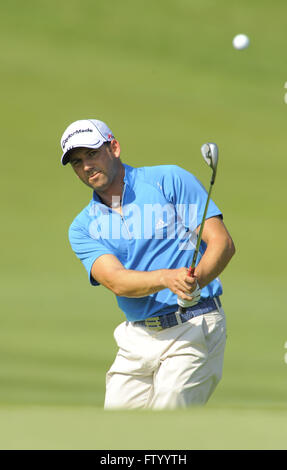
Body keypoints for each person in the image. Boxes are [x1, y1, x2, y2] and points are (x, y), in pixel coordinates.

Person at [60, 118, 235, 410]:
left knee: (165, 433)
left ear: (113, 147)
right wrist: (168, 278)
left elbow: (221, 243)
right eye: (77, 162)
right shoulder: (82, 227)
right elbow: (116, 280)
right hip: (137, 338)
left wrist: (197, 281)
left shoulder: (169, 180)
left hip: (192, 325)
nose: (86, 166)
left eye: (92, 153)